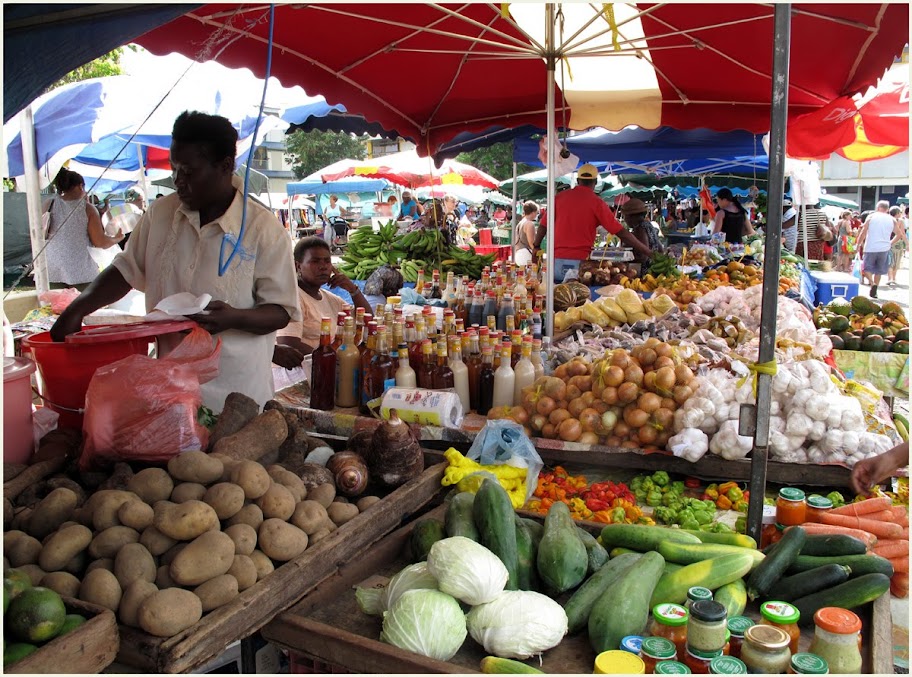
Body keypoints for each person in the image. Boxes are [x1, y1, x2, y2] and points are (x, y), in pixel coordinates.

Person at [49, 110, 301, 412]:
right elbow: (125, 270)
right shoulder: (160, 214)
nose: (178, 181)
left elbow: (280, 311)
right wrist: (78, 309)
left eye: (189, 172)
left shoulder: (264, 230)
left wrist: (232, 317)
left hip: (237, 400)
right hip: (170, 393)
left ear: (225, 166)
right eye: (174, 169)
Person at [533, 164, 652, 282]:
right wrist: (647, 251)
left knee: (558, 297)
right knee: (578, 297)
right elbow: (621, 232)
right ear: (595, 182)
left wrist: (536, 246)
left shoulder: (558, 198)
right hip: (581, 263)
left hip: (556, 260)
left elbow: (543, 226)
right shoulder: (597, 203)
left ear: (578, 180)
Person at [273, 237, 373, 368]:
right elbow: (288, 343)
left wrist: (353, 289)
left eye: (327, 261)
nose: (323, 267)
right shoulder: (292, 296)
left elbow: (367, 319)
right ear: (298, 266)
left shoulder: (329, 298)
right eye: (315, 261)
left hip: (324, 366)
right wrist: (332, 360)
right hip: (299, 371)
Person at [42, 168, 124, 286]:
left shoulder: (48, 204)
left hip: (51, 270)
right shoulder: (87, 208)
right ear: (80, 186)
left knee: (55, 304)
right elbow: (100, 242)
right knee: (82, 304)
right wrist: (116, 238)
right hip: (80, 272)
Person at [856, 200, 907, 298]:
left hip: (870, 247)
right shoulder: (892, 219)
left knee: (866, 269)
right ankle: (875, 290)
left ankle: (872, 283)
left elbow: (863, 231)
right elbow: (899, 234)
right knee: (879, 271)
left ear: (877, 208)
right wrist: (890, 243)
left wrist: (858, 244)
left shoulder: (871, 217)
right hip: (884, 249)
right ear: (887, 209)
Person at [620, 198, 664, 263]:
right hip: (653, 266)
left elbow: (643, 257)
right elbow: (660, 249)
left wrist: (625, 259)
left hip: (645, 269)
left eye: (624, 216)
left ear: (630, 216)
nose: (625, 220)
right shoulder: (648, 225)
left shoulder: (640, 229)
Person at [513, 200, 539, 266]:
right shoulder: (530, 224)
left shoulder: (520, 223)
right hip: (526, 255)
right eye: (536, 213)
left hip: (518, 253)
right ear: (533, 212)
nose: (536, 215)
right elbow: (531, 243)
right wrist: (538, 254)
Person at [887, 206, 908, 286]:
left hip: (887, 241)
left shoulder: (887, 220)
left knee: (889, 260)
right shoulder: (900, 221)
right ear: (898, 213)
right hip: (898, 243)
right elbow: (902, 233)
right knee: (896, 260)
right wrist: (907, 243)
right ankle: (893, 278)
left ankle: (890, 278)